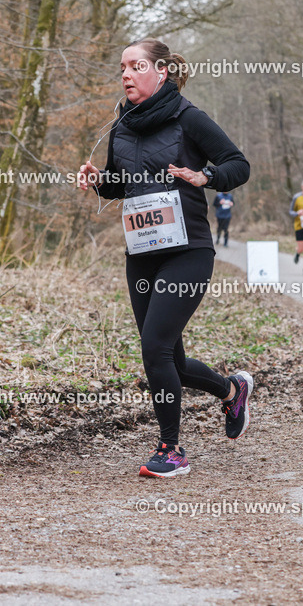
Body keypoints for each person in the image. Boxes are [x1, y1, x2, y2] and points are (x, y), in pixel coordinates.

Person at [77, 38, 253, 478]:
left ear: (162, 72)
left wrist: (205, 175)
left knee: (154, 347)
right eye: (122, 67)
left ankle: (171, 450)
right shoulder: (121, 127)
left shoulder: (188, 118)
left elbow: (238, 164)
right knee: (167, 358)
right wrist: (99, 181)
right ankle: (232, 391)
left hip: (188, 251)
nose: (126, 74)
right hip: (141, 253)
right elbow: (121, 184)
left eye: (136, 66)